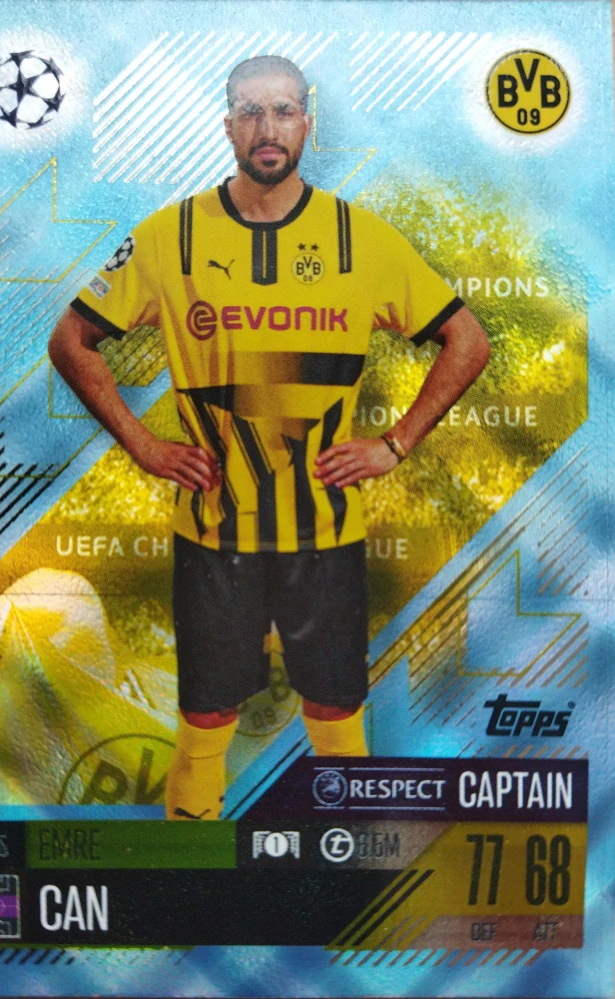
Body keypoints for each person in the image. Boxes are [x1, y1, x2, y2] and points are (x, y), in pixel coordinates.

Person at [48, 55, 490, 821]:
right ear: (227, 126)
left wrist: (393, 443)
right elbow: (71, 340)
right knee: (206, 714)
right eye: (250, 111)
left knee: (335, 708)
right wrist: (142, 444)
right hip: (213, 534)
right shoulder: (169, 236)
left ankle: (343, 858)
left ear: (306, 123)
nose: (267, 127)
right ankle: (193, 862)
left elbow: (467, 341)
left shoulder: (359, 238)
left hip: (325, 533)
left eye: (283, 110)